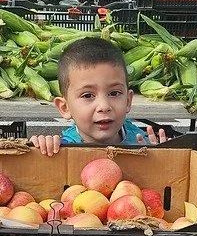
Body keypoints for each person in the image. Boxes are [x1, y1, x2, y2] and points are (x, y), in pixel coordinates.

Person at [30, 38, 167, 154]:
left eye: (114, 93)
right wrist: (39, 149)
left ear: (128, 100)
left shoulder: (143, 143)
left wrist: (160, 162)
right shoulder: (63, 148)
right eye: (88, 95)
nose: (104, 106)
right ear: (65, 108)